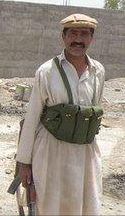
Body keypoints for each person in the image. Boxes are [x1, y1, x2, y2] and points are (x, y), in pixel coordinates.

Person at [15, 13, 105, 215]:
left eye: (84, 34)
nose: (78, 39)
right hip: (51, 152)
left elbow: (94, 111)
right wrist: (24, 162)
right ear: (63, 37)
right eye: (73, 33)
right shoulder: (47, 71)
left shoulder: (98, 71)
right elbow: (32, 118)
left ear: (91, 38)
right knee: (50, 207)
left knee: (83, 207)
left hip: (84, 154)